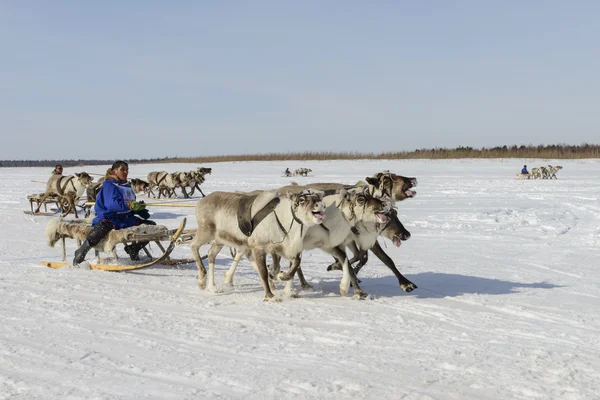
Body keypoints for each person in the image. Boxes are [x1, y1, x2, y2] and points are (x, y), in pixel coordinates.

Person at [73, 160, 154, 265]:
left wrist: (138, 209)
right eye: (122, 170)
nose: (126, 172)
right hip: (109, 217)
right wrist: (129, 205)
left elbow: (130, 202)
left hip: (126, 219)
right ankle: (82, 250)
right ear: (114, 172)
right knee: (101, 229)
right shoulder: (109, 185)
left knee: (151, 226)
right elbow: (112, 204)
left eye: (127, 170)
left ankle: (133, 249)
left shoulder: (126, 186)